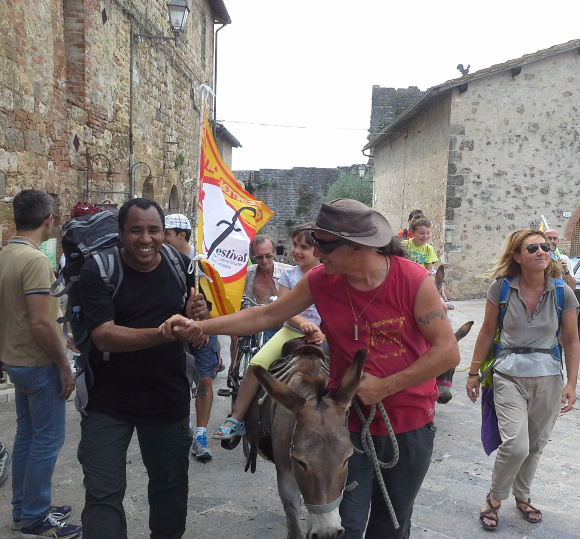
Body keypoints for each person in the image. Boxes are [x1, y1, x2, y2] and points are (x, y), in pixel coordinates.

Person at [161, 198, 460, 539]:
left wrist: (385, 387)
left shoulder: (413, 280)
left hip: (409, 421)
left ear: (358, 247)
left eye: (324, 244)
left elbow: (447, 353)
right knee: (343, 523)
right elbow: (264, 315)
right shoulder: (321, 280)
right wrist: (200, 326)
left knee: (391, 525)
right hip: (343, 423)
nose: (316, 251)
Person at [77, 198, 210, 539]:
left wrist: (198, 318)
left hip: (167, 396)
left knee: (170, 487)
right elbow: (104, 336)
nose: (146, 239)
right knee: (102, 494)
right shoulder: (99, 270)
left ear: (165, 233)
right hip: (108, 399)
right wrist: (163, 333)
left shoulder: (181, 265)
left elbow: (195, 325)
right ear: (121, 233)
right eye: (136, 230)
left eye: (154, 230)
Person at [466, 229, 579, 531]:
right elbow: (487, 331)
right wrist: (474, 372)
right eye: (533, 249)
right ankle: (495, 498)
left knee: (536, 443)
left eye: (545, 247)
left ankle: (523, 494)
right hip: (508, 374)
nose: (542, 251)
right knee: (516, 445)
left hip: (549, 376)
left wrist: (571, 383)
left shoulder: (562, 292)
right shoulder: (500, 289)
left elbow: (571, 340)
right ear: (517, 256)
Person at [0, 189, 81, 537]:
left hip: (17, 360)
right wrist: (64, 363)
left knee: (28, 438)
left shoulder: (6, 254)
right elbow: (39, 322)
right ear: (48, 220)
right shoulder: (34, 261)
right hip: (38, 363)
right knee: (47, 440)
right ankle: (34, 517)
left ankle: (24, 509)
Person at [213, 223, 325, 439]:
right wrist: (302, 323)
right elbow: (283, 307)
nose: (296, 251)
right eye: (295, 245)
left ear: (318, 251)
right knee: (257, 365)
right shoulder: (289, 276)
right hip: (291, 330)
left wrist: (323, 333)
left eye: (304, 247)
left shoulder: (330, 275)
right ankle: (236, 418)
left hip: (322, 333)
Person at [164, 213, 220, 460]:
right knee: (178, 381)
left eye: (166, 233)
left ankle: (200, 434)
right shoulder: (161, 260)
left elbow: (217, 300)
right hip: (176, 331)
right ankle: (183, 428)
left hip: (204, 330)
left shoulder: (203, 263)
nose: (161, 238)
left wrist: (205, 326)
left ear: (181, 235)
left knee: (205, 380)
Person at [229, 236, 292, 359]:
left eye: (268, 255)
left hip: (281, 323)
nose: (264, 260)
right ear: (253, 256)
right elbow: (236, 299)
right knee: (235, 338)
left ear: (274, 252)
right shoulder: (247, 274)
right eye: (259, 257)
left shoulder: (288, 272)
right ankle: (233, 366)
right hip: (255, 320)